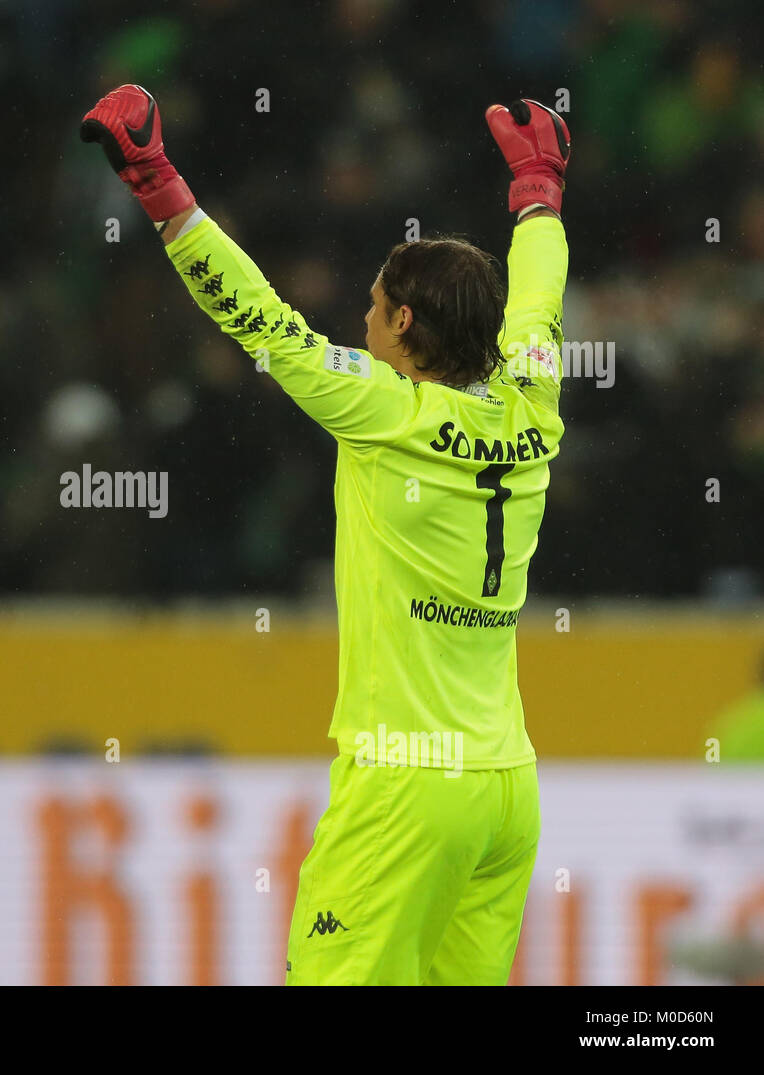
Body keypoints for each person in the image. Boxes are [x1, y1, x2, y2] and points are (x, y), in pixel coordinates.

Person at [80, 85, 571, 985]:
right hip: (507, 787)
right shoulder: (533, 400)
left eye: (376, 308)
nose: (364, 322)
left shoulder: (381, 407)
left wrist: (157, 182)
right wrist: (538, 189)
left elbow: (257, 318)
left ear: (405, 324)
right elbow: (539, 298)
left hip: (405, 788)